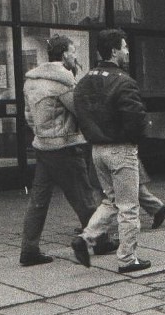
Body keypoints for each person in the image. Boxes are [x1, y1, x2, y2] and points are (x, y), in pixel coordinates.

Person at [19, 35, 117, 267]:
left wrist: (42, 132)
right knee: (83, 196)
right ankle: (100, 240)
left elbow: (28, 116)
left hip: (43, 146)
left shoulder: (31, 80)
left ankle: (29, 250)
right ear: (64, 54)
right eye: (73, 52)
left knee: (38, 201)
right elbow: (80, 110)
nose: (75, 56)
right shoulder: (63, 80)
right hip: (65, 146)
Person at [72, 29, 154, 273]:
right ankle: (128, 259)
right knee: (129, 207)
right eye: (125, 47)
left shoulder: (85, 80)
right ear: (115, 51)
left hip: (97, 150)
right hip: (121, 149)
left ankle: (85, 238)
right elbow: (135, 118)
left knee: (111, 201)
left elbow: (80, 113)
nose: (127, 51)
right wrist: (137, 137)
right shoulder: (123, 80)